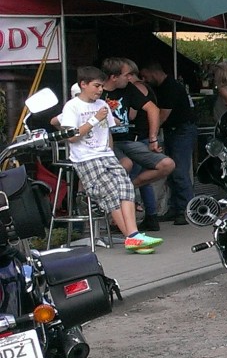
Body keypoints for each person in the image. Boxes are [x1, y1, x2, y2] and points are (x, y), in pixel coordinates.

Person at [56, 67, 162, 254]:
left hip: (105, 154)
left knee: (126, 187)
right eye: (96, 86)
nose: (100, 90)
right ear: (83, 84)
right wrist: (94, 120)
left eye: (101, 86)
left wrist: (110, 152)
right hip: (86, 158)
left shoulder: (102, 104)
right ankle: (132, 237)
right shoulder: (72, 106)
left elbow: (107, 133)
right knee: (111, 193)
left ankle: (134, 236)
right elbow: (71, 137)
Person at [102, 57, 175, 233]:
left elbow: (153, 109)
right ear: (113, 77)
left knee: (167, 164)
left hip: (128, 140)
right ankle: (117, 213)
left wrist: (153, 138)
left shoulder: (129, 88)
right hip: (106, 141)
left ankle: (128, 188)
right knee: (126, 164)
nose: (131, 78)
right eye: (127, 75)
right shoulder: (97, 91)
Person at [140, 60, 197, 225]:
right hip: (174, 130)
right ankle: (175, 207)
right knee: (171, 172)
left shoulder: (171, 87)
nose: (144, 80)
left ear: (153, 72)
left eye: (145, 76)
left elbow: (162, 116)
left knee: (179, 170)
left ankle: (186, 210)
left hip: (182, 130)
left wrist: (151, 132)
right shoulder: (163, 87)